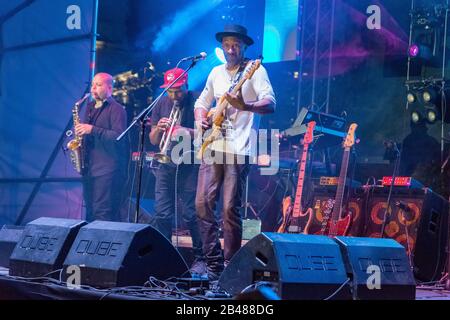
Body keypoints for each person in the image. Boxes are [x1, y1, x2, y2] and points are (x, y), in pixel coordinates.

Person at [194, 24, 276, 280]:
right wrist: (201, 119)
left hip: (239, 148)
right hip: (213, 145)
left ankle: (230, 266)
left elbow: (271, 103)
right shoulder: (216, 72)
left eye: (236, 44)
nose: (231, 49)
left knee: (229, 208)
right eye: (227, 44)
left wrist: (246, 105)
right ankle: (213, 263)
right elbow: (201, 102)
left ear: (244, 47)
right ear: (221, 47)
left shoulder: (255, 70)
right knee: (201, 203)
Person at [149, 67, 206, 275]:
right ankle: (165, 257)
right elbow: (154, 140)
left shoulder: (198, 101)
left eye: (178, 90)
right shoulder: (161, 103)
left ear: (186, 86)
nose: (174, 95)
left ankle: (201, 258)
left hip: (190, 164)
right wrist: (158, 129)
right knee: (162, 213)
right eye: (171, 91)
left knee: (191, 214)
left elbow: (210, 134)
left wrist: (185, 131)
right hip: (166, 164)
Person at [75, 72, 127, 222]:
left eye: (98, 85)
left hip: (107, 169)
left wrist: (92, 129)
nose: (93, 89)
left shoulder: (116, 109)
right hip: (89, 168)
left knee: (101, 212)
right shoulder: (90, 107)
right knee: (90, 211)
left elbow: (118, 136)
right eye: (92, 85)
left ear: (109, 88)